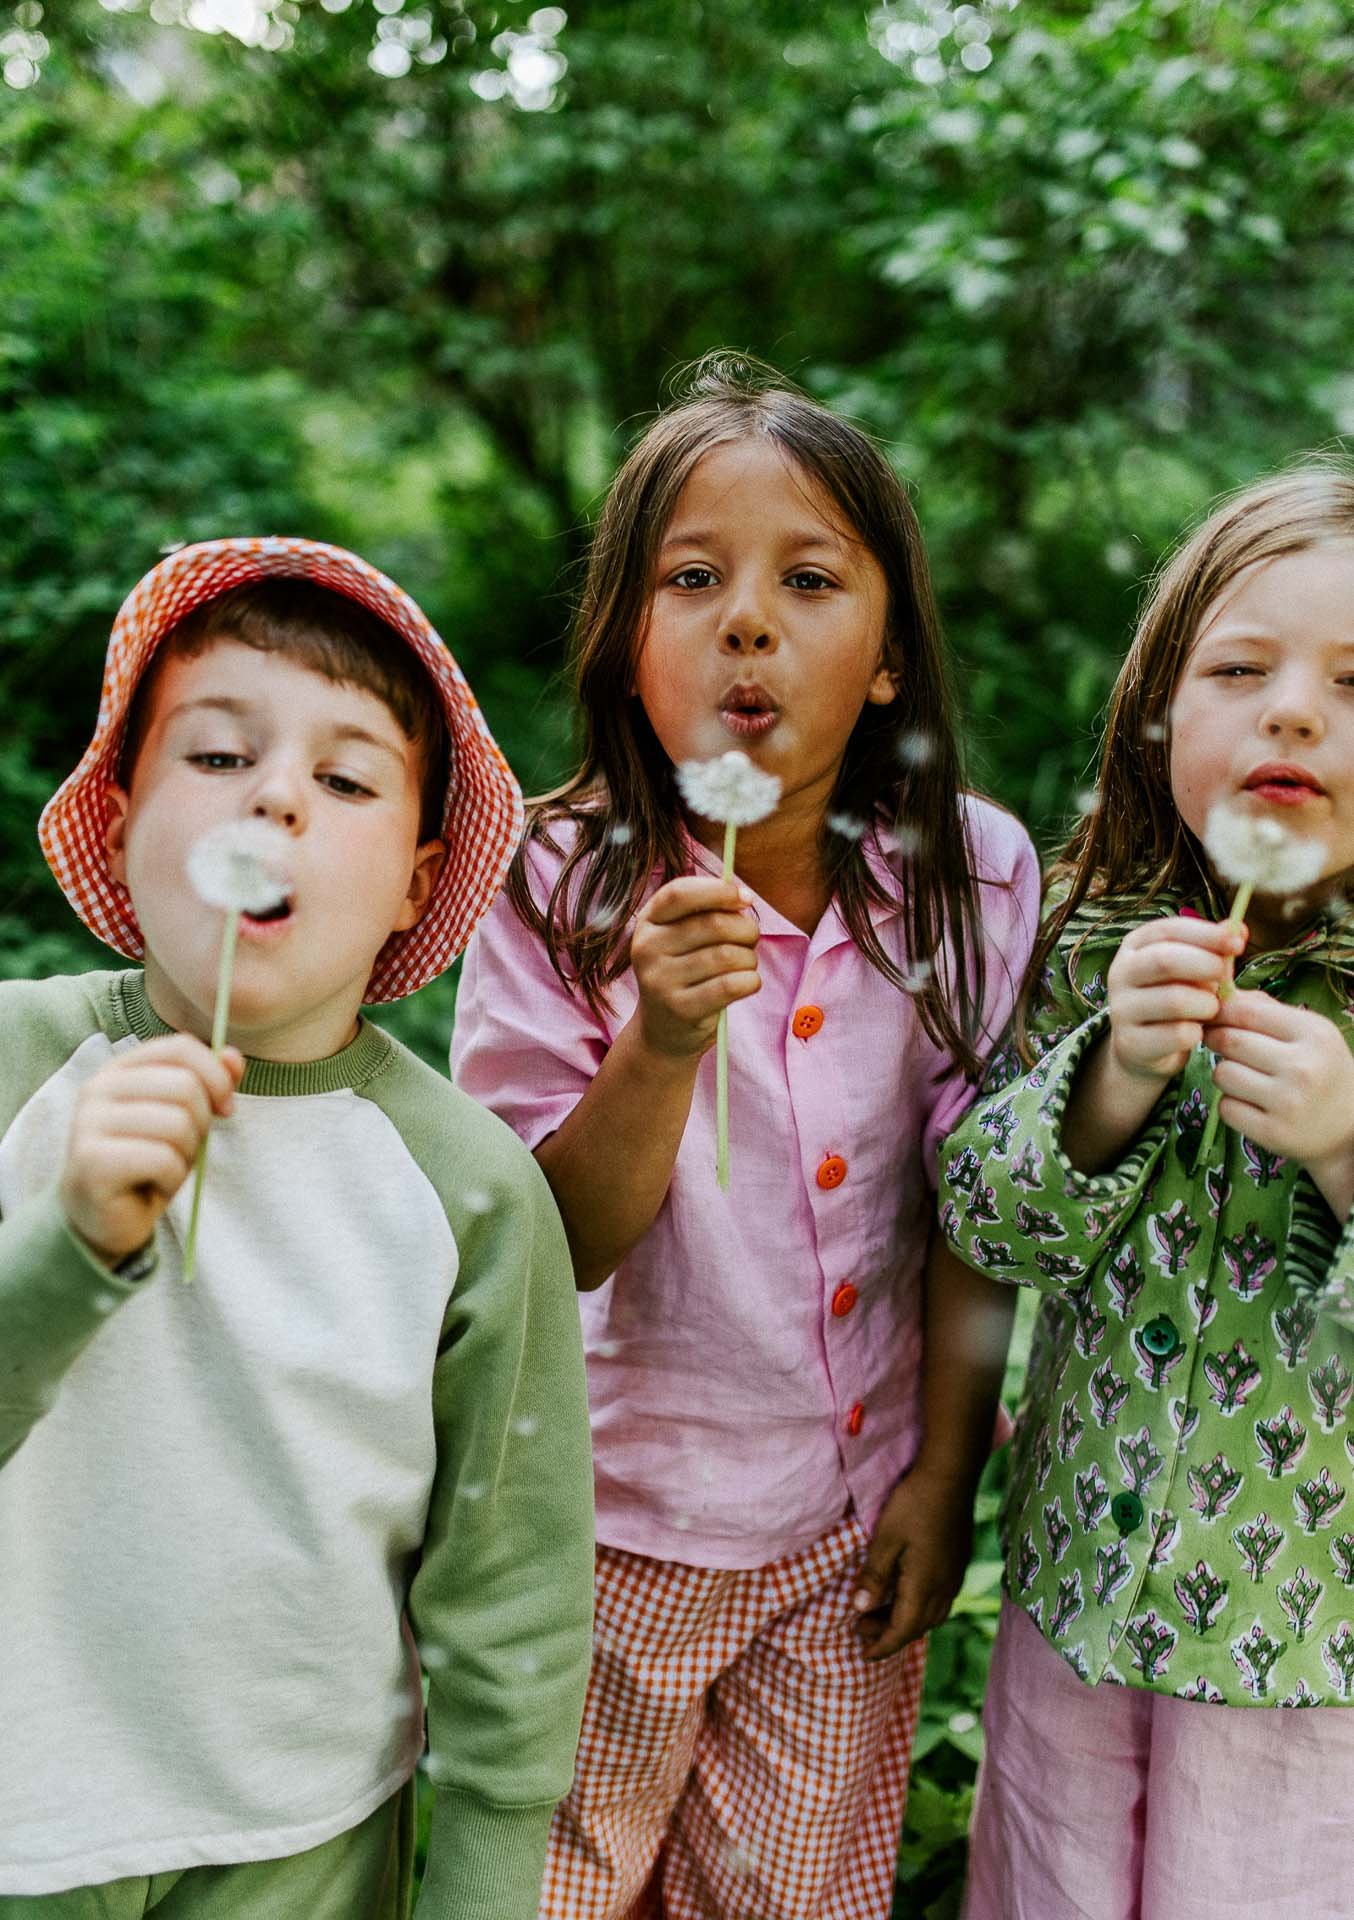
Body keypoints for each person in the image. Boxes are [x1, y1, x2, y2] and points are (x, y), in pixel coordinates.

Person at [452, 354, 1040, 1920]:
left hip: (843, 1533)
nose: (749, 620)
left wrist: (939, 1477)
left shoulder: (972, 880)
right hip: (608, 1534)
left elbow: (974, 1203)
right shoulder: (561, 888)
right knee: (552, 1891)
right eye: (693, 577)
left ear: (894, 657)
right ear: (628, 645)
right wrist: (658, 1041)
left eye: (809, 578)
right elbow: (549, 1241)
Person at [0, 538, 595, 1920]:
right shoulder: (19, 1070)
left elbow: (508, 1581)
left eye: (343, 780)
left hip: (303, 1842)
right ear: (124, 805)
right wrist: (68, 1247)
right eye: (215, 757)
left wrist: (488, 1877)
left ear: (410, 882)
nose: (274, 794)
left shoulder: (471, 1190)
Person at [938, 463, 1354, 1920]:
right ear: (1158, 713)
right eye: (1240, 669)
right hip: (1077, 1591)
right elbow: (982, 1222)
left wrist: (1344, 1145)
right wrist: (1108, 1077)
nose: (1291, 711)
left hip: (1305, 1648)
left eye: (1351, 684)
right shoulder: (1094, 947)